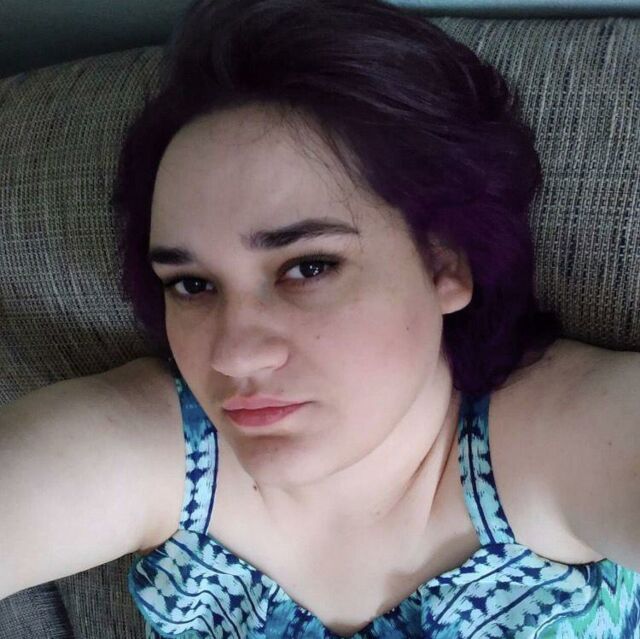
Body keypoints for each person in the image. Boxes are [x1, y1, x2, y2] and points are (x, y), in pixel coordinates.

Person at [1, 0, 639, 637]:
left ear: (444, 262)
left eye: (308, 268)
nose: (233, 355)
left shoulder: (563, 438)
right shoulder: (158, 452)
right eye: (192, 284)